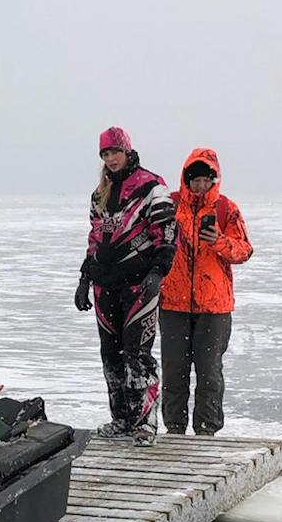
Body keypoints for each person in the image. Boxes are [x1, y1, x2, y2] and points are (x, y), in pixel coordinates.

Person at [74, 127, 176, 446]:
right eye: (105, 154)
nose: (110, 159)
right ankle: (121, 418)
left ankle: (145, 422)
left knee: (137, 354)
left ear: (127, 151)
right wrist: (84, 278)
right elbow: (95, 239)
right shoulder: (99, 194)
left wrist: (159, 271)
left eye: (114, 152)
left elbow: (167, 230)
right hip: (105, 286)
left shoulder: (151, 186)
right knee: (111, 355)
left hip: (139, 286)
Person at [159, 149, 252, 437]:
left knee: (209, 372)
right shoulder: (170, 205)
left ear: (214, 180)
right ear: (186, 179)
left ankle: (206, 429)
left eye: (205, 180)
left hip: (214, 307)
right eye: (194, 180)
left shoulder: (226, 209)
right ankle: (174, 427)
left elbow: (244, 250)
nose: (200, 186)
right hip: (173, 304)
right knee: (174, 372)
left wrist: (219, 242)